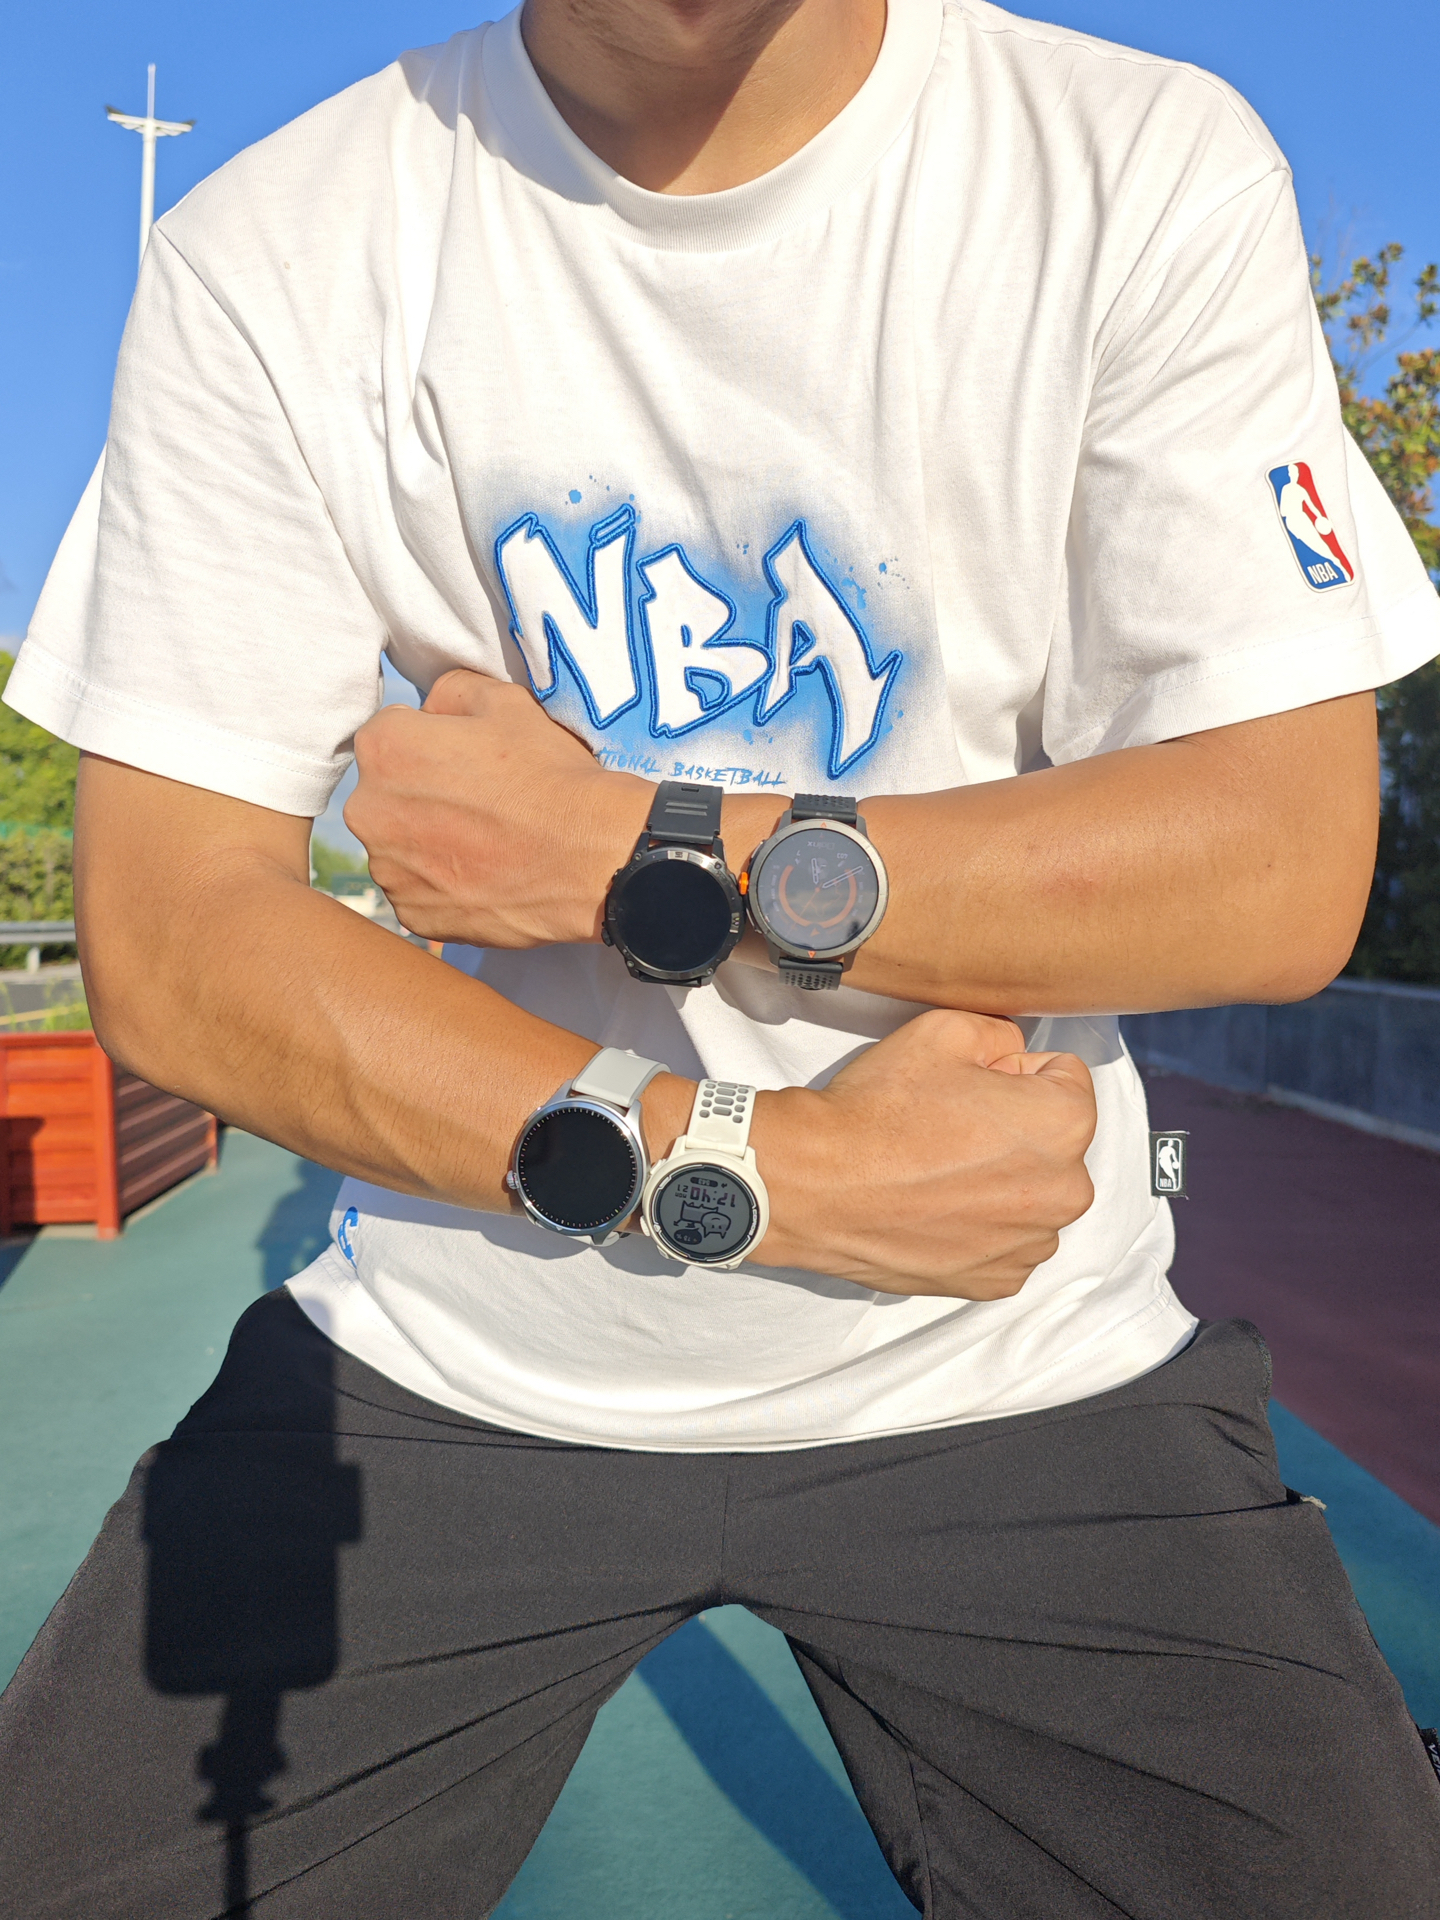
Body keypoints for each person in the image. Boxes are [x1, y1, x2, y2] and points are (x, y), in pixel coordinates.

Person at [2, 0, 1438, 1912]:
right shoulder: (277, 247)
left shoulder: (1130, 163)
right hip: (466, 1348)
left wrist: (632, 851)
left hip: (1012, 1351)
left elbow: (1275, 862)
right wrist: (772, 1171)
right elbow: (178, 938)